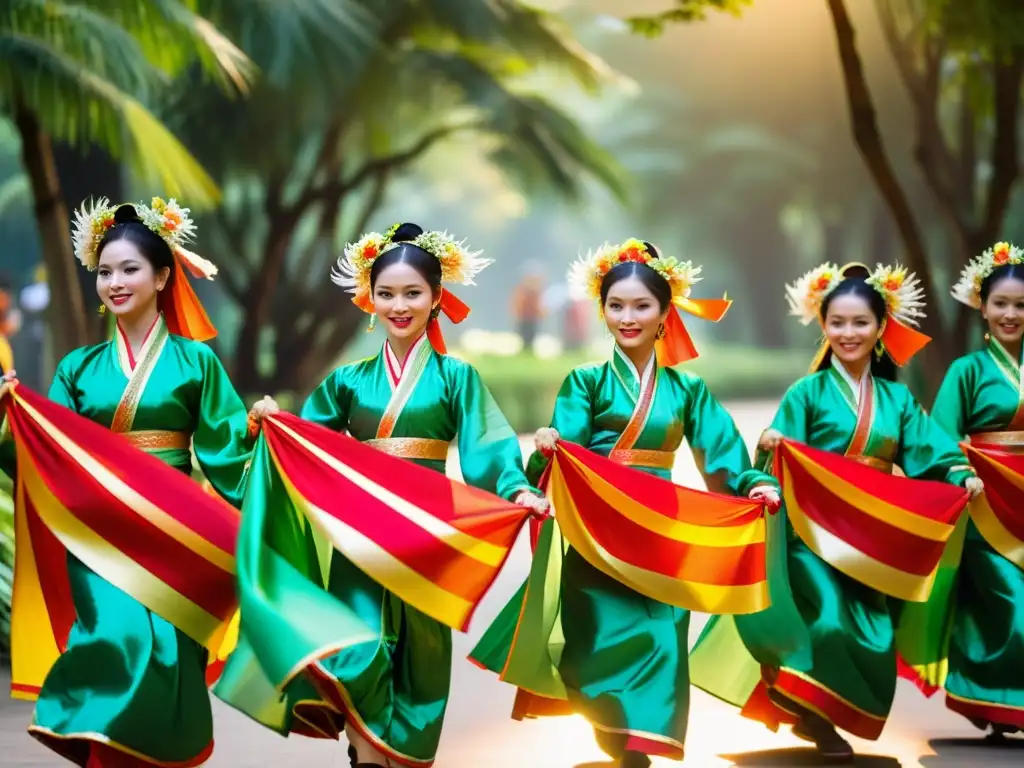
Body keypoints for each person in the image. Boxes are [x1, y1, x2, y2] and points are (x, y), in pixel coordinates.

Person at [219, 222, 548, 768]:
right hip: (361, 539)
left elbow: (486, 449)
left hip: (428, 539)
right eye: (386, 293)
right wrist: (272, 427)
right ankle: (367, 750)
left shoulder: (456, 379)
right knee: (359, 649)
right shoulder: (348, 381)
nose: (399, 305)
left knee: (421, 662)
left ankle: (396, 753)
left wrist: (516, 487)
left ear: (437, 297)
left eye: (412, 292)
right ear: (369, 298)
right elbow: (308, 443)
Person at [471, 239, 779, 768]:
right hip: (598, 532)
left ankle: (641, 740)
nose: (628, 317)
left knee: (662, 636)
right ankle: (610, 727)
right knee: (595, 640)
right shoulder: (585, 382)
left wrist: (751, 482)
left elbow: (721, 453)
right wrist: (547, 451)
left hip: (663, 532)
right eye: (617, 305)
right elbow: (564, 447)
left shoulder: (687, 390)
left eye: (642, 306)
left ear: (664, 314)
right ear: (602, 310)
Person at [0, 197, 272, 767]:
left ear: (162, 276)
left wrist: (263, 435)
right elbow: (50, 455)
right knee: (114, 647)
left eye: (129, 269)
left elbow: (228, 456)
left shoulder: (197, 364)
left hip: (176, 537)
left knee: (171, 663)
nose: (115, 282)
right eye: (104, 272)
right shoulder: (77, 368)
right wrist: (13, 418)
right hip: (101, 539)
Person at [691, 262, 984, 763]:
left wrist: (959, 475)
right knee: (827, 623)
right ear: (823, 327)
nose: (849, 333)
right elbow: (777, 453)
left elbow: (930, 452)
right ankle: (812, 712)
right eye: (838, 323)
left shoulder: (897, 398)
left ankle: (816, 709)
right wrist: (766, 462)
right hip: (814, 535)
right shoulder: (807, 393)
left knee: (873, 637)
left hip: (872, 540)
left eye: (860, 323)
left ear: (880, 328)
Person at [911, 242, 1024, 737]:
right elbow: (940, 436)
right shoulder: (967, 371)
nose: (1011, 314)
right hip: (987, 506)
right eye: (1001, 303)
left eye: (1021, 305)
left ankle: (996, 701)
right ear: (983, 306)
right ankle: (1000, 699)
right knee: (1011, 605)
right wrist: (961, 471)